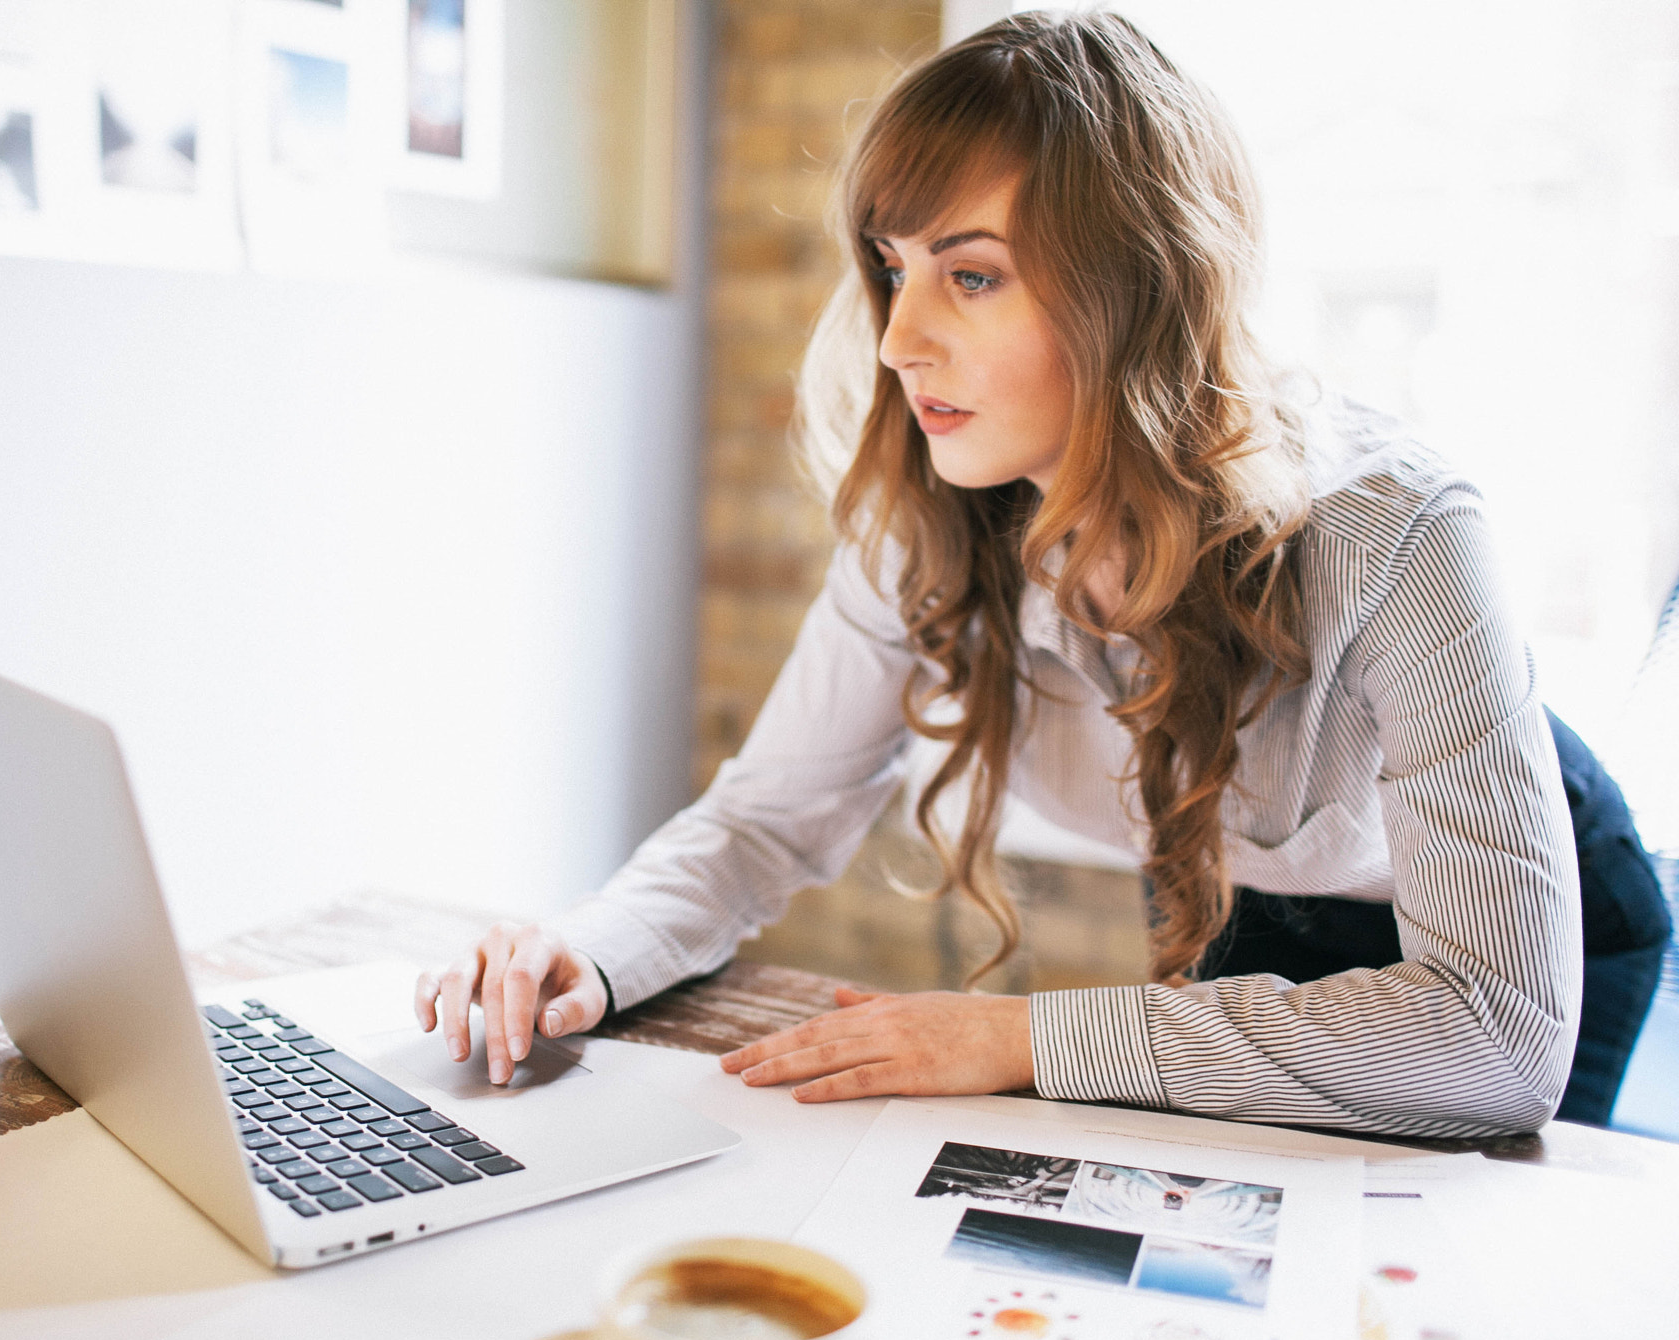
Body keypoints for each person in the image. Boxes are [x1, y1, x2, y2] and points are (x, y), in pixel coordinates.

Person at [412, 11, 1670, 1136]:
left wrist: (1019, 1038)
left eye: (970, 275)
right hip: (1245, 894)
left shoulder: (1402, 531)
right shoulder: (931, 513)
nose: (901, 341)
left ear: (1138, 288)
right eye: (895, 270)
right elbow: (762, 823)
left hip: (1511, 926)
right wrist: (587, 947)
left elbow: (1493, 1035)